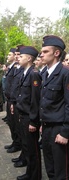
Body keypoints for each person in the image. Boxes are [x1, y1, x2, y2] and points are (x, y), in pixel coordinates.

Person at [39, 35, 69, 180]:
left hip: (59, 129)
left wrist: (65, 132)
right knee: (50, 167)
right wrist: (42, 122)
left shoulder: (65, 73)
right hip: (46, 127)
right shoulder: (45, 73)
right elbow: (44, 101)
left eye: (45, 52)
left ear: (56, 53)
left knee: (60, 171)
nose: (41, 54)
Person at [15, 46, 42, 180]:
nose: (18, 58)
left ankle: (35, 175)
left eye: (21, 56)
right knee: (27, 146)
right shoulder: (26, 72)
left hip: (29, 118)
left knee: (33, 149)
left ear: (29, 58)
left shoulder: (34, 74)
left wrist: (33, 121)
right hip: (23, 115)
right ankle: (29, 173)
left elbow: (35, 100)